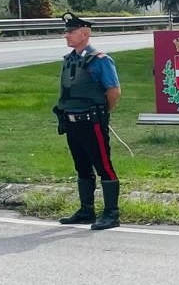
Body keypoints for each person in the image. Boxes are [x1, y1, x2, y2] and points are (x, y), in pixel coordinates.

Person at [52, 12, 123, 230]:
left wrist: (103, 113)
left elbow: (114, 91)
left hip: (92, 121)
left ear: (85, 33)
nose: (66, 36)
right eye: (66, 31)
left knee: (104, 166)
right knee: (81, 166)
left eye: (71, 31)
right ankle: (86, 210)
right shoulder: (69, 60)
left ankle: (112, 213)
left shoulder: (100, 60)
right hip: (72, 122)